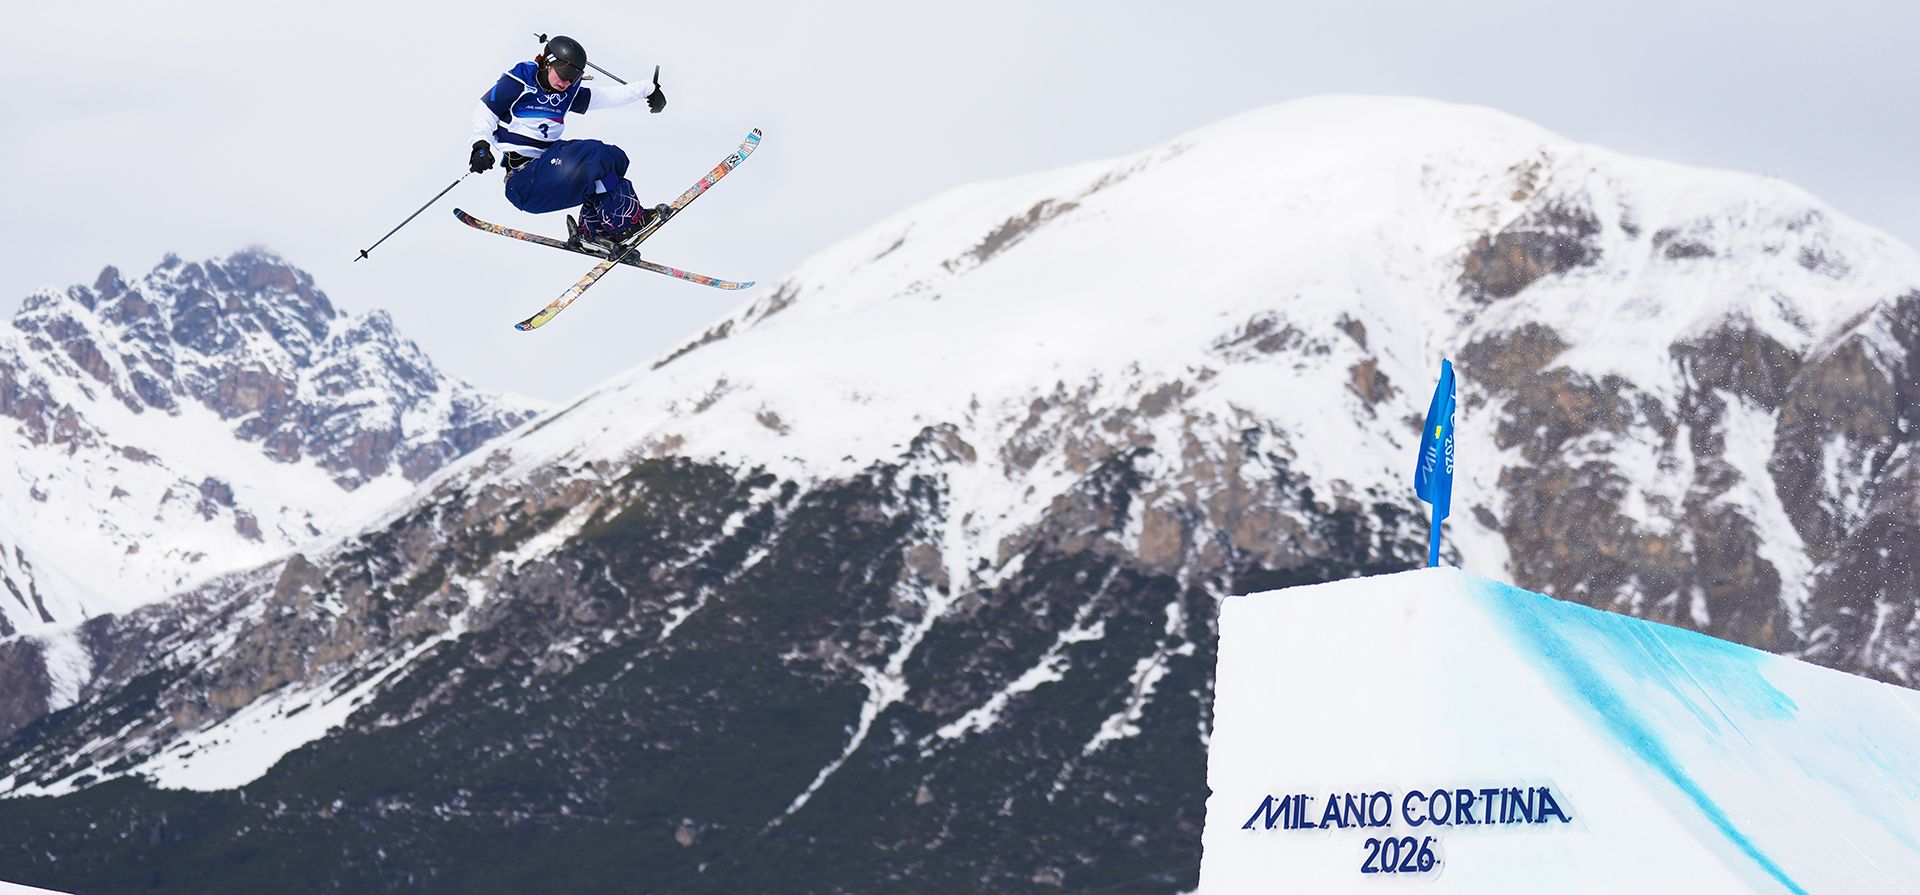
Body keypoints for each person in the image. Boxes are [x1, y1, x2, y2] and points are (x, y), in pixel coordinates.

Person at [467, 36, 669, 253]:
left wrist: (647, 89)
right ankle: (626, 224)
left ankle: (595, 231)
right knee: (595, 155)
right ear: (547, 62)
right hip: (525, 181)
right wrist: (480, 144)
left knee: (613, 158)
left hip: (550, 168)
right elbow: (486, 111)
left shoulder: (567, 91)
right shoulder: (522, 80)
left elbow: (603, 97)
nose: (566, 83)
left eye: (572, 78)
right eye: (563, 75)